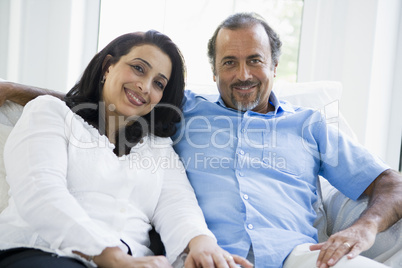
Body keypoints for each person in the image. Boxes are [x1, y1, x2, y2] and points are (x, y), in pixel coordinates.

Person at [0, 12, 401, 268]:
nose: (242, 73)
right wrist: (15, 89)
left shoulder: (309, 125)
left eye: (255, 60)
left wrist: (364, 228)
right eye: (229, 62)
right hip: (203, 260)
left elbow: (390, 184)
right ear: (214, 73)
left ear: (275, 66)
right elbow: (111, 103)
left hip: (297, 256)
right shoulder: (184, 111)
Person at [0, 30, 251, 268]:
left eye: (159, 84)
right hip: (41, 252)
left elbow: (178, 205)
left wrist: (202, 244)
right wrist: (113, 257)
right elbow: (39, 193)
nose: (145, 86)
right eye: (138, 68)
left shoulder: (157, 147)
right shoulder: (50, 112)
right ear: (108, 66)